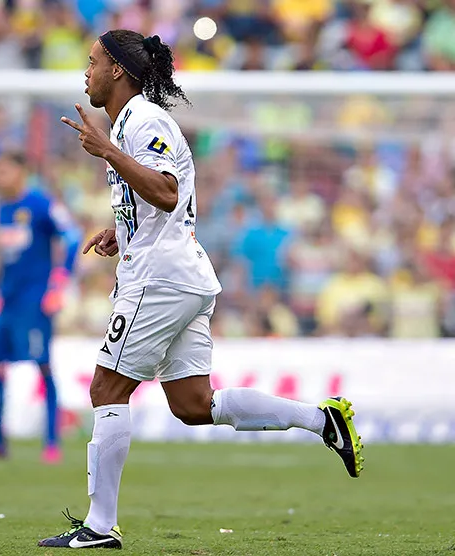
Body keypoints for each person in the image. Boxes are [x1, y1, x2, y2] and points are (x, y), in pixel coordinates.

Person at [38, 30, 364, 549]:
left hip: (160, 279)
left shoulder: (144, 120)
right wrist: (122, 229)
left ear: (117, 70)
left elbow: (168, 192)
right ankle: (322, 420)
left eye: (93, 61)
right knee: (193, 404)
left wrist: (107, 152)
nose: (87, 71)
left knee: (106, 389)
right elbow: (162, 200)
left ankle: (99, 527)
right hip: (178, 274)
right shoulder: (130, 123)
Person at [0, 151, 81, 464]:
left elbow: (72, 237)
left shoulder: (40, 203)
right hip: (7, 299)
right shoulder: (2, 208)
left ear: (21, 172)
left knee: (42, 366)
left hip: (35, 299)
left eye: (4, 171)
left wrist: (58, 284)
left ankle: (52, 442)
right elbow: (5, 257)